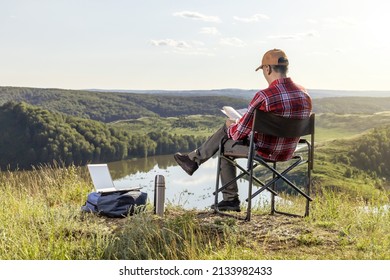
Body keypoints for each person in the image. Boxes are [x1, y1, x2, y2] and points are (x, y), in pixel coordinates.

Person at [174, 49, 312, 212]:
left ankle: (229, 199)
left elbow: (238, 134)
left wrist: (231, 125)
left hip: (263, 151)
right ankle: (193, 160)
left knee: (224, 142)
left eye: (263, 71)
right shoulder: (304, 94)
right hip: (289, 151)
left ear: (267, 69)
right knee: (230, 132)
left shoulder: (265, 96)